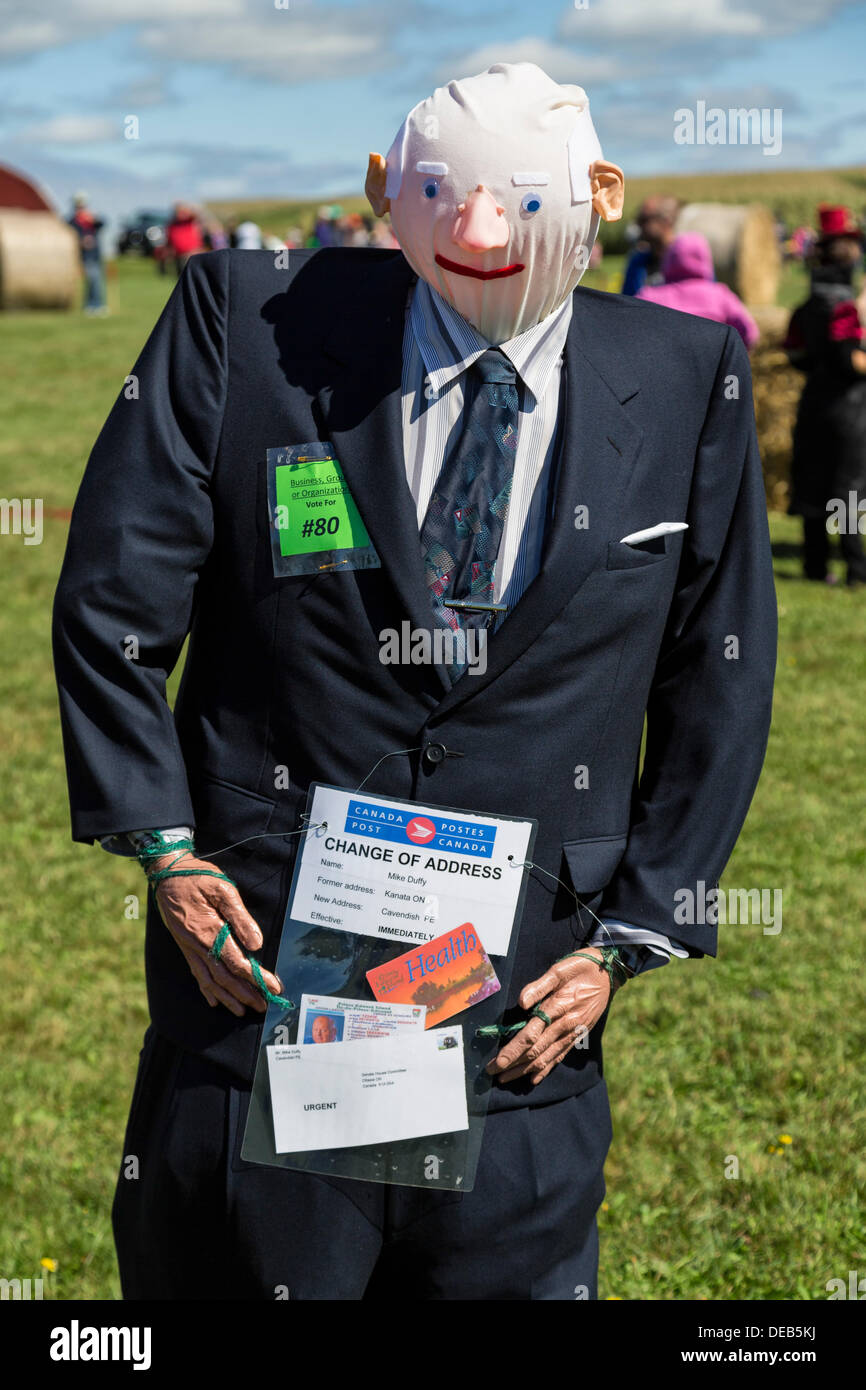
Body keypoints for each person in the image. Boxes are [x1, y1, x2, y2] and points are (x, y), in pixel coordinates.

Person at [53, 62, 776, 1301]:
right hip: (265, 990)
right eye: (446, 195)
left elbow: (719, 678)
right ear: (387, 192)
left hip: (520, 1028)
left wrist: (632, 935)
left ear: (599, 197)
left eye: (522, 200)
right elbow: (115, 598)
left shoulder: (681, 375)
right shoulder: (247, 318)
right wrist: (167, 848)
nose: (483, 233)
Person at [784, 204, 866, 588]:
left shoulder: (805, 307)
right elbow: (852, 361)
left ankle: (815, 566)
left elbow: (795, 354)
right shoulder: (847, 308)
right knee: (848, 488)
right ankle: (856, 569)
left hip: (813, 400)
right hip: (849, 407)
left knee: (813, 483)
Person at [637, 232, 759, 348]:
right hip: (709, 364)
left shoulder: (650, 295)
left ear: (669, 259)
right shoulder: (720, 295)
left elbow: (629, 327)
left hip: (664, 364)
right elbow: (749, 332)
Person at [621, 194, 681, 295]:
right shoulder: (637, 262)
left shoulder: (687, 261)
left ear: (666, 220)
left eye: (644, 220)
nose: (638, 225)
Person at [68, 192, 106, 315]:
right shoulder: (72, 221)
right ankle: (91, 305)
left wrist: (95, 218)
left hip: (95, 254)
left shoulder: (90, 219)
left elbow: (103, 224)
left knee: (97, 281)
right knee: (92, 280)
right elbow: (69, 235)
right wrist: (81, 241)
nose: (81, 208)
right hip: (84, 255)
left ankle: (98, 304)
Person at [165, 202, 204, 275]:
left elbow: (197, 213)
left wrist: (186, 208)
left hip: (191, 253)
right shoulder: (172, 224)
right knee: (180, 278)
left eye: (181, 212)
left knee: (191, 276)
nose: (179, 214)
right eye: (177, 212)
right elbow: (169, 240)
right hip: (178, 255)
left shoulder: (188, 221)